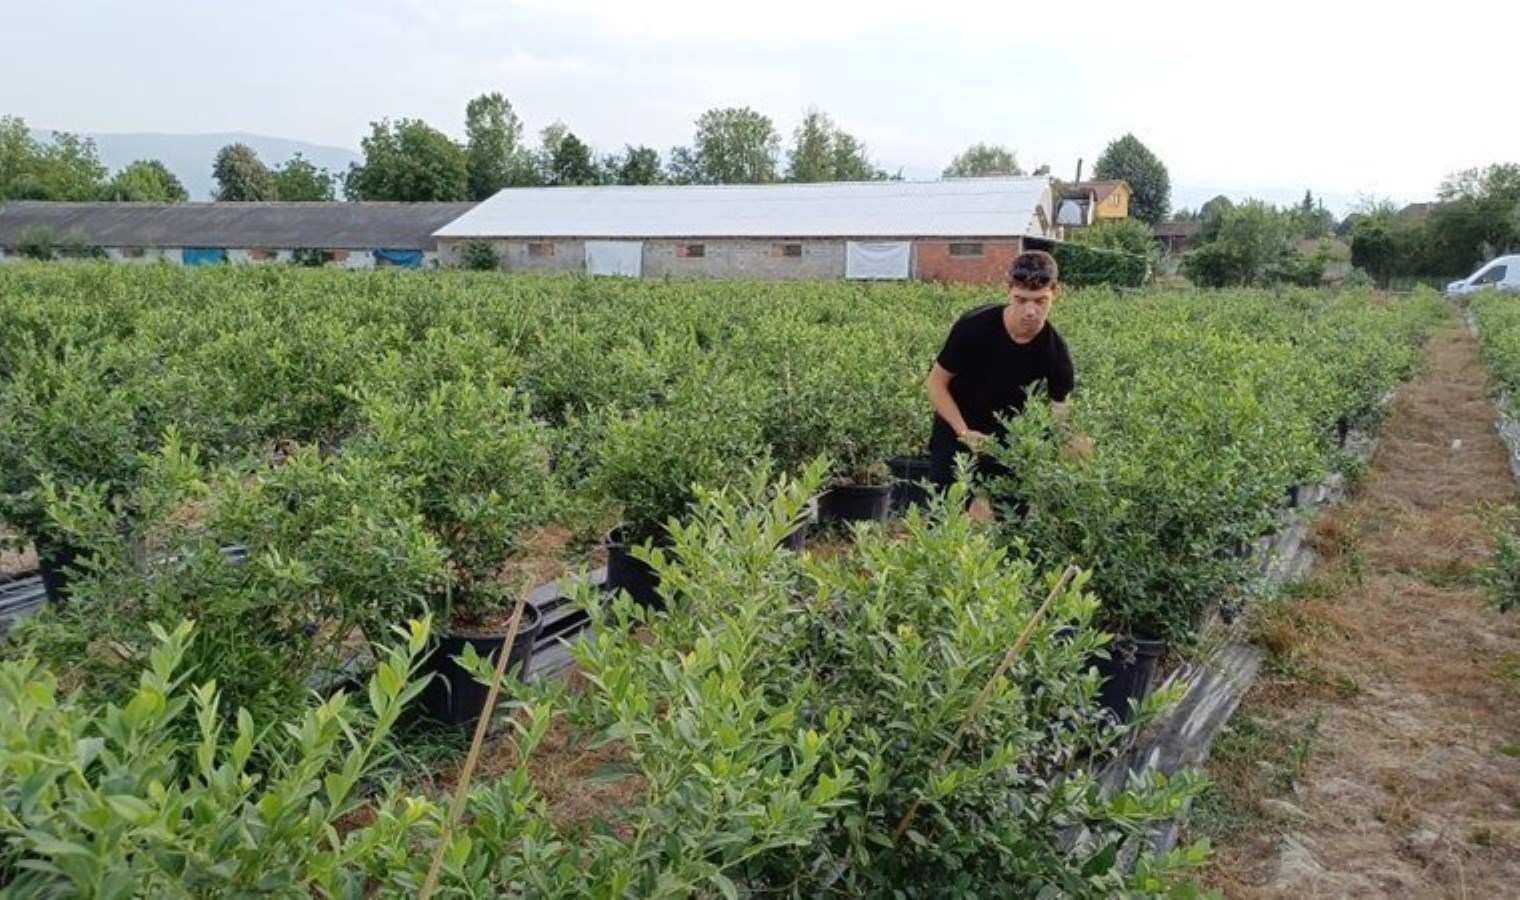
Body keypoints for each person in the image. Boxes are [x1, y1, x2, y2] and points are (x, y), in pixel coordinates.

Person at [924, 249, 1084, 520]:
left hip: (1010, 441)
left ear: (1055, 292)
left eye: (1040, 301)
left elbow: (1060, 412)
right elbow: (936, 384)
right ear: (1008, 290)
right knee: (942, 517)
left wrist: (1066, 448)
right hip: (956, 429)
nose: (1030, 311)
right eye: (1021, 300)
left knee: (1013, 524)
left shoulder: (1056, 353)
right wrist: (965, 433)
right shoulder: (974, 327)